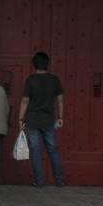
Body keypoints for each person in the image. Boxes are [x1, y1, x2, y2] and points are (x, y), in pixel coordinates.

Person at [18, 52, 65, 188]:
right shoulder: (54, 79)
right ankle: (59, 180)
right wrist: (61, 117)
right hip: (48, 121)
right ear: (47, 64)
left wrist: (20, 118)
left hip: (32, 121)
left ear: (34, 64)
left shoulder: (30, 80)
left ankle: (39, 181)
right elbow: (60, 100)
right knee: (52, 149)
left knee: (36, 151)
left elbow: (25, 100)